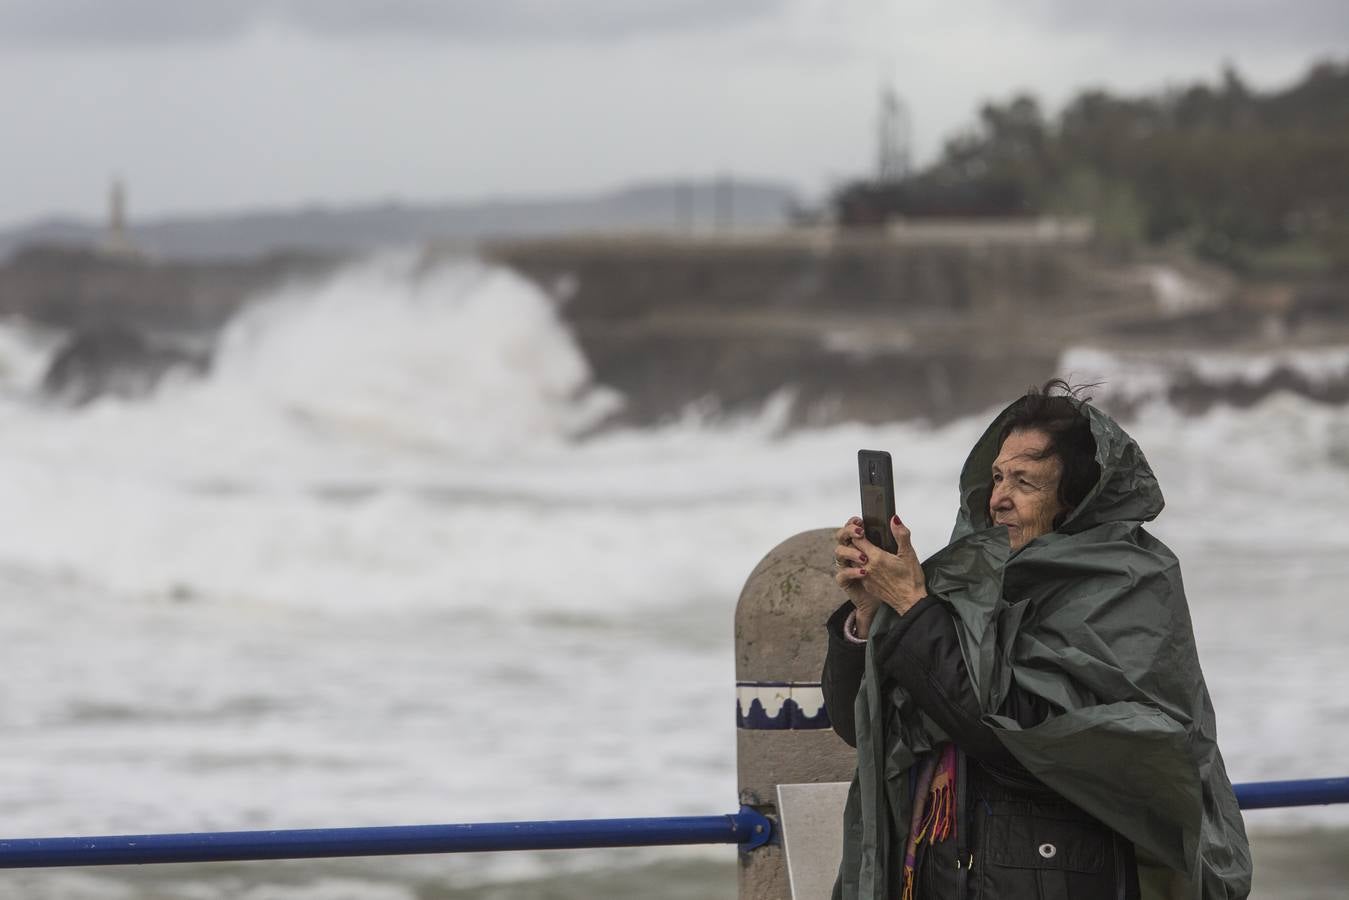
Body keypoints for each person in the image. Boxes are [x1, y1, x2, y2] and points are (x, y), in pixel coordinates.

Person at [823, 381, 1251, 900]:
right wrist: (870, 619)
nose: (998, 497)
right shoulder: (969, 584)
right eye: (998, 476)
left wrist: (914, 610)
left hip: (1056, 876)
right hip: (944, 869)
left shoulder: (1126, 584)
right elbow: (867, 728)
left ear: (1075, 501)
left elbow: (1022, 738)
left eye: (1024, 482)